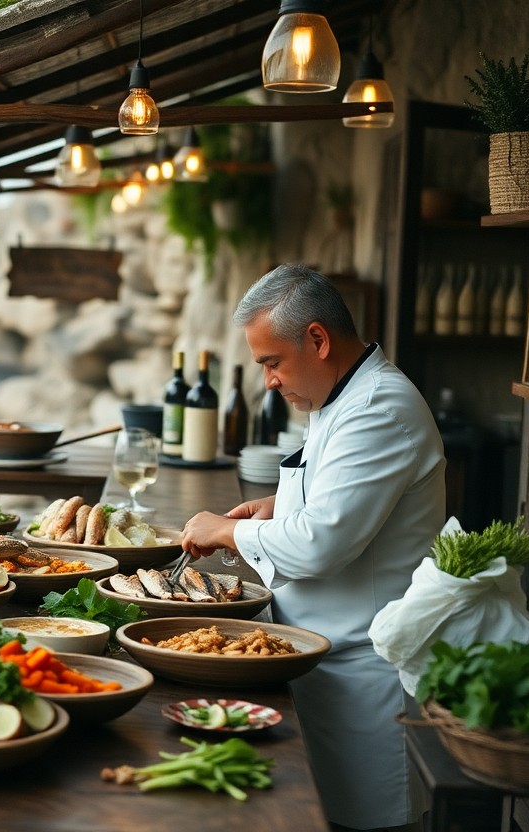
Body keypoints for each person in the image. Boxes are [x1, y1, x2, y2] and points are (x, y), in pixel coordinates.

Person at [181, 264, 445, 831]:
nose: (269, 380)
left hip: (364, 680)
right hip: (319, 662)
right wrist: (278, 505)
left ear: (318, 340)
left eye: (271, 362)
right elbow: (337, 502)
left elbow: (321, 545)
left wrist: (226, 531)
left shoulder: (380, 407)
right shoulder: (337, 396)